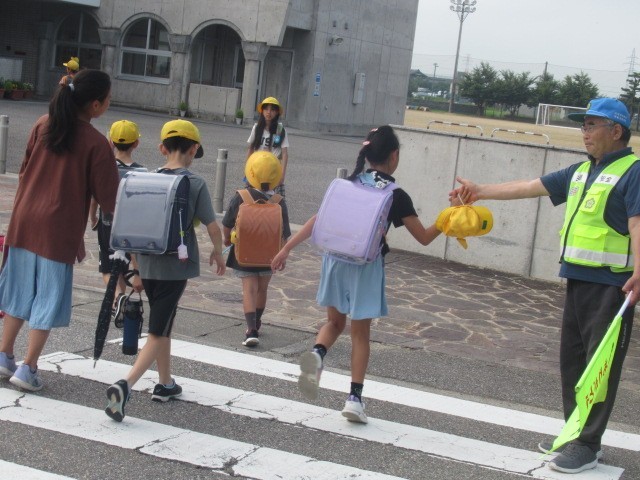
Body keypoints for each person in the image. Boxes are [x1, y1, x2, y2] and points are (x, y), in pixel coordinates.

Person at [450, 97, 640, 474]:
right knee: (573, 363)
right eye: (583, 125)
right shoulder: (581, 171)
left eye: (591, 125)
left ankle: (588, 444)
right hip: (578, 279)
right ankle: (575, 433)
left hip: (612, 286)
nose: (584, 132)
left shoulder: (633, 172)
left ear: (616, 130)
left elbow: (638, 223)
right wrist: (480, 191)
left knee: (599, 368)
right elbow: (529, 186)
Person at [271, 125, 459, 423]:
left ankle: (318, 354)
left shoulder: (349, 182)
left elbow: (318, 220)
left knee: (334, 323)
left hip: (334, 260)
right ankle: (354, 400)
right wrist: (450, 215)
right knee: (360, 336)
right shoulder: (396, 195)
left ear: (368, 154)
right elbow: (423, 237)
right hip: (366, 267)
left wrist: (286, 248)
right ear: (394, 156)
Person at [0, 70, 119, 391]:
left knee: (18, 290)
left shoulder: (43, 124)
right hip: (59, 229)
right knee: (47, 297)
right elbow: (110, 198)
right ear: (95, 105)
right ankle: (28, 367)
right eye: (108, 99)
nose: (109, 103)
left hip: (24, 220)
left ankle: (4, 354)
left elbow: (24, 171)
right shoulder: (96, 143)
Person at [105, 119, 226, 422]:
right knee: (158, 331)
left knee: (164, 321)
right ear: (194, 149)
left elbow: (134, 225)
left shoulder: (146, 178)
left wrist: (135, 267)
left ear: (161, 148)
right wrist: (218, 252)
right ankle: (125, 385)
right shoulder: (195, 183)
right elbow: (212, 226)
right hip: (176, 267)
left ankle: (165, 383)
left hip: (147, 263)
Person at [222, 151, 291, 347]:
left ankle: (251, 329)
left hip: (244, 252)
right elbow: (285, 233)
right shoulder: (278, 201)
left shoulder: (241, 197)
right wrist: (283, 254)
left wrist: (227, 239)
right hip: (270, 254)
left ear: (250, 173)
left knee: (249, 290)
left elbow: (227, 223)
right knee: (262, 289)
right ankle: (257, 322)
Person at [89, 120, 144, 318]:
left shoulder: (104, 168)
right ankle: (119, 302)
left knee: (108, 267)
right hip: (130, 227)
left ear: (110, 142)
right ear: (136, 143)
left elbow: (95, 197)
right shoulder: (141, 172)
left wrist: (93, 217)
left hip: (107, 224)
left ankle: (118, 295)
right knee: (123, 263)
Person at [246, 96, 289, 197]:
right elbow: (250, 149)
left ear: (277, 112)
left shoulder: (280, 130)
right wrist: (247, 170)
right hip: (257, 169)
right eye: (266, 109)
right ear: (262, 111)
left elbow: (285, 154)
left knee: (275, 201)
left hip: (273, 171)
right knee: (251, 198)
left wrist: (282, 175)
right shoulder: (257, 128)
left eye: (272, 110)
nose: (269, 112)